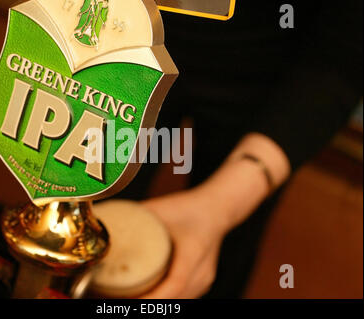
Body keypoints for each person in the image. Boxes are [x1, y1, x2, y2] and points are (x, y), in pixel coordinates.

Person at [116, 0, 363, 298]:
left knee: (219, 257)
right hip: (120, 39)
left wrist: (222, 206)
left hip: (272, 69)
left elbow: (343, 53)